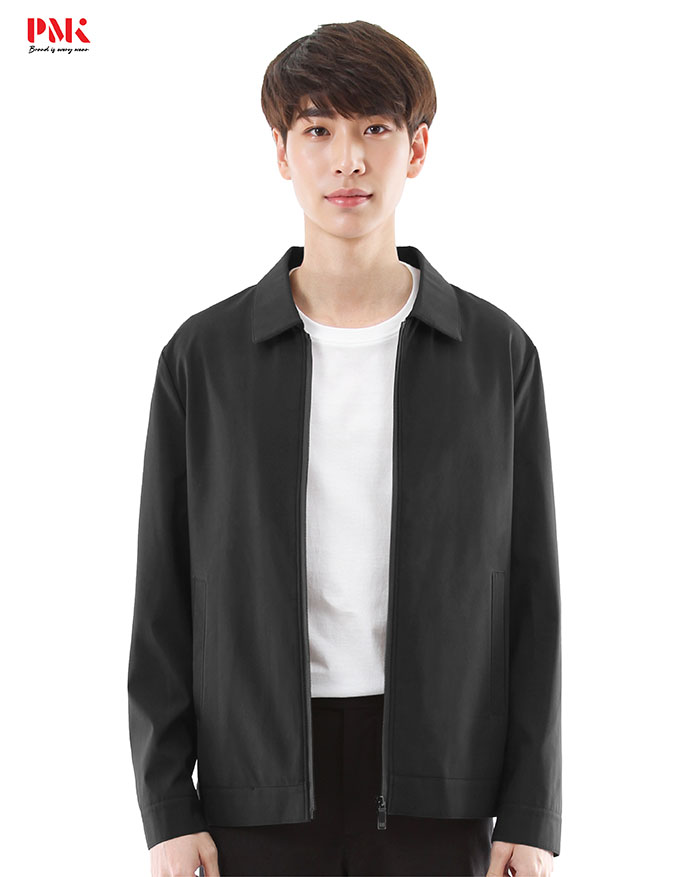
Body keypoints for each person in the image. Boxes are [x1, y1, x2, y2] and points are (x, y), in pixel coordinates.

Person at [128, 19, 562, 877]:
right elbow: (164, 594)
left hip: (443, 782)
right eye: (319, 129)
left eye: (375, 128)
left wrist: (532, 806)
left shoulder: (495, 353)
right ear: (281, 152)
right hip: (255, 784)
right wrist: (167, 807)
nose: (349, 160)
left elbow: (531, 595)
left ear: (418, 147)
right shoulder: (205, 357)